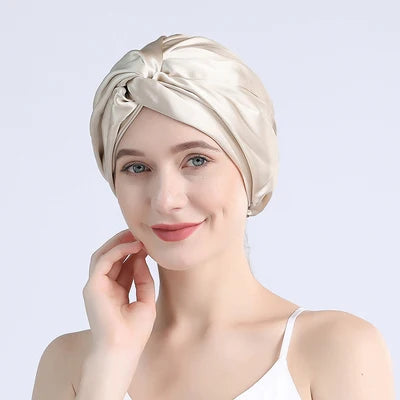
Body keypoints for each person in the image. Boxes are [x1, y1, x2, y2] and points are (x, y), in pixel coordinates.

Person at [32, 34, 395, 400]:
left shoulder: (334, 350)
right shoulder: (71, 363)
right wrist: (111, 362)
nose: (165, 199)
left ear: (250, 168)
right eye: (137, 167)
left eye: (196, 160)